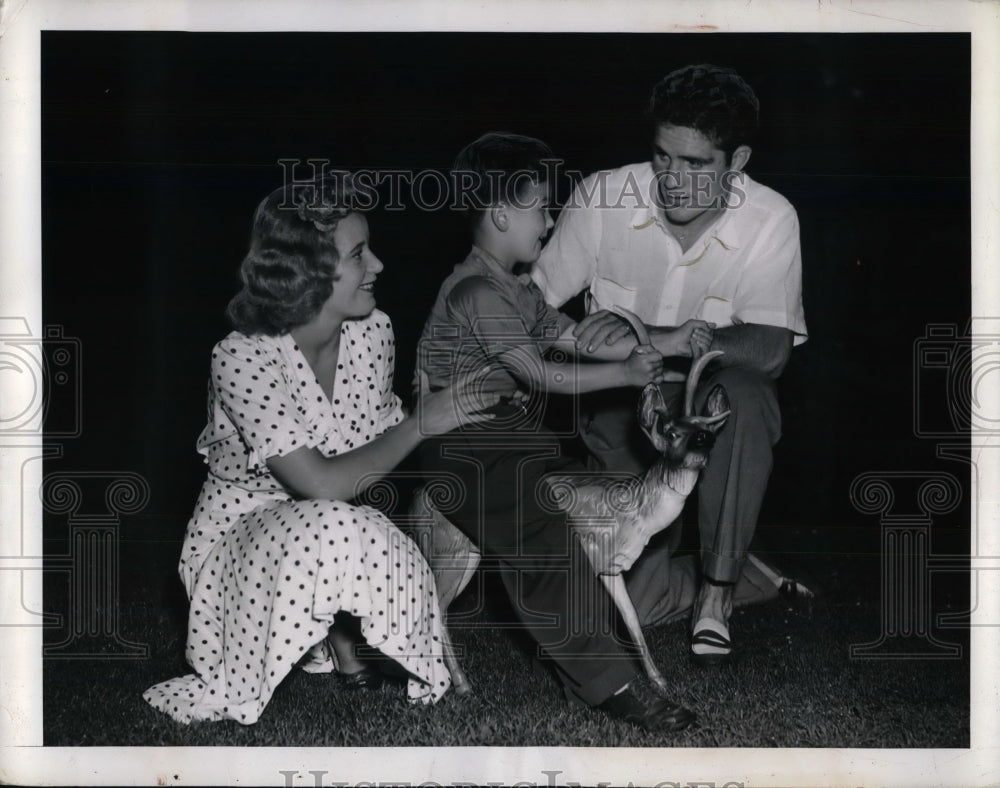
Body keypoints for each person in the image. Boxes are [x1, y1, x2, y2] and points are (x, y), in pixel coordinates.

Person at [144, 174, 500, 725]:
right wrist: (424, 422)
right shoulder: (240, 357)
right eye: (359, 254)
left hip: (336, 520)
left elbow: (366, 466)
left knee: (388, 547)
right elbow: (321, 483)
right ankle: (326, 634)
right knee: (335, 523)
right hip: (240, 538)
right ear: (306, 272)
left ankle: (341, 629)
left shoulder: (374, 332)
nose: (378, 265)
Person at [415, 131, 713, 732]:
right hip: (461, 444)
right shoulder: (475, 292)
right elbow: (540, 372)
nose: (550, 223)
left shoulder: (512, 288)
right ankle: (616, 684)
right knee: (544, 538)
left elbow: (574, 335)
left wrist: (669, 341)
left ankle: (605, 666)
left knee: (561, 519)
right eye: (541, 208)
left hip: (500, 440)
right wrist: (625, 374)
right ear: (501, 212)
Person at [531, 64, 809, 664]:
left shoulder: (772, 218)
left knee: (746, 391)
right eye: (663, 158)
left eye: (696, 165)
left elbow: (772, 350)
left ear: (736, 161)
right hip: (618, 404)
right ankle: (751, 570)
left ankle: (718, 590)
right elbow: (524, 311)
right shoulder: (603, 195)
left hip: (710, 408)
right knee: (626, 603)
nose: (674, 182)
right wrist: (592, 345)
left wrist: (666, 341)